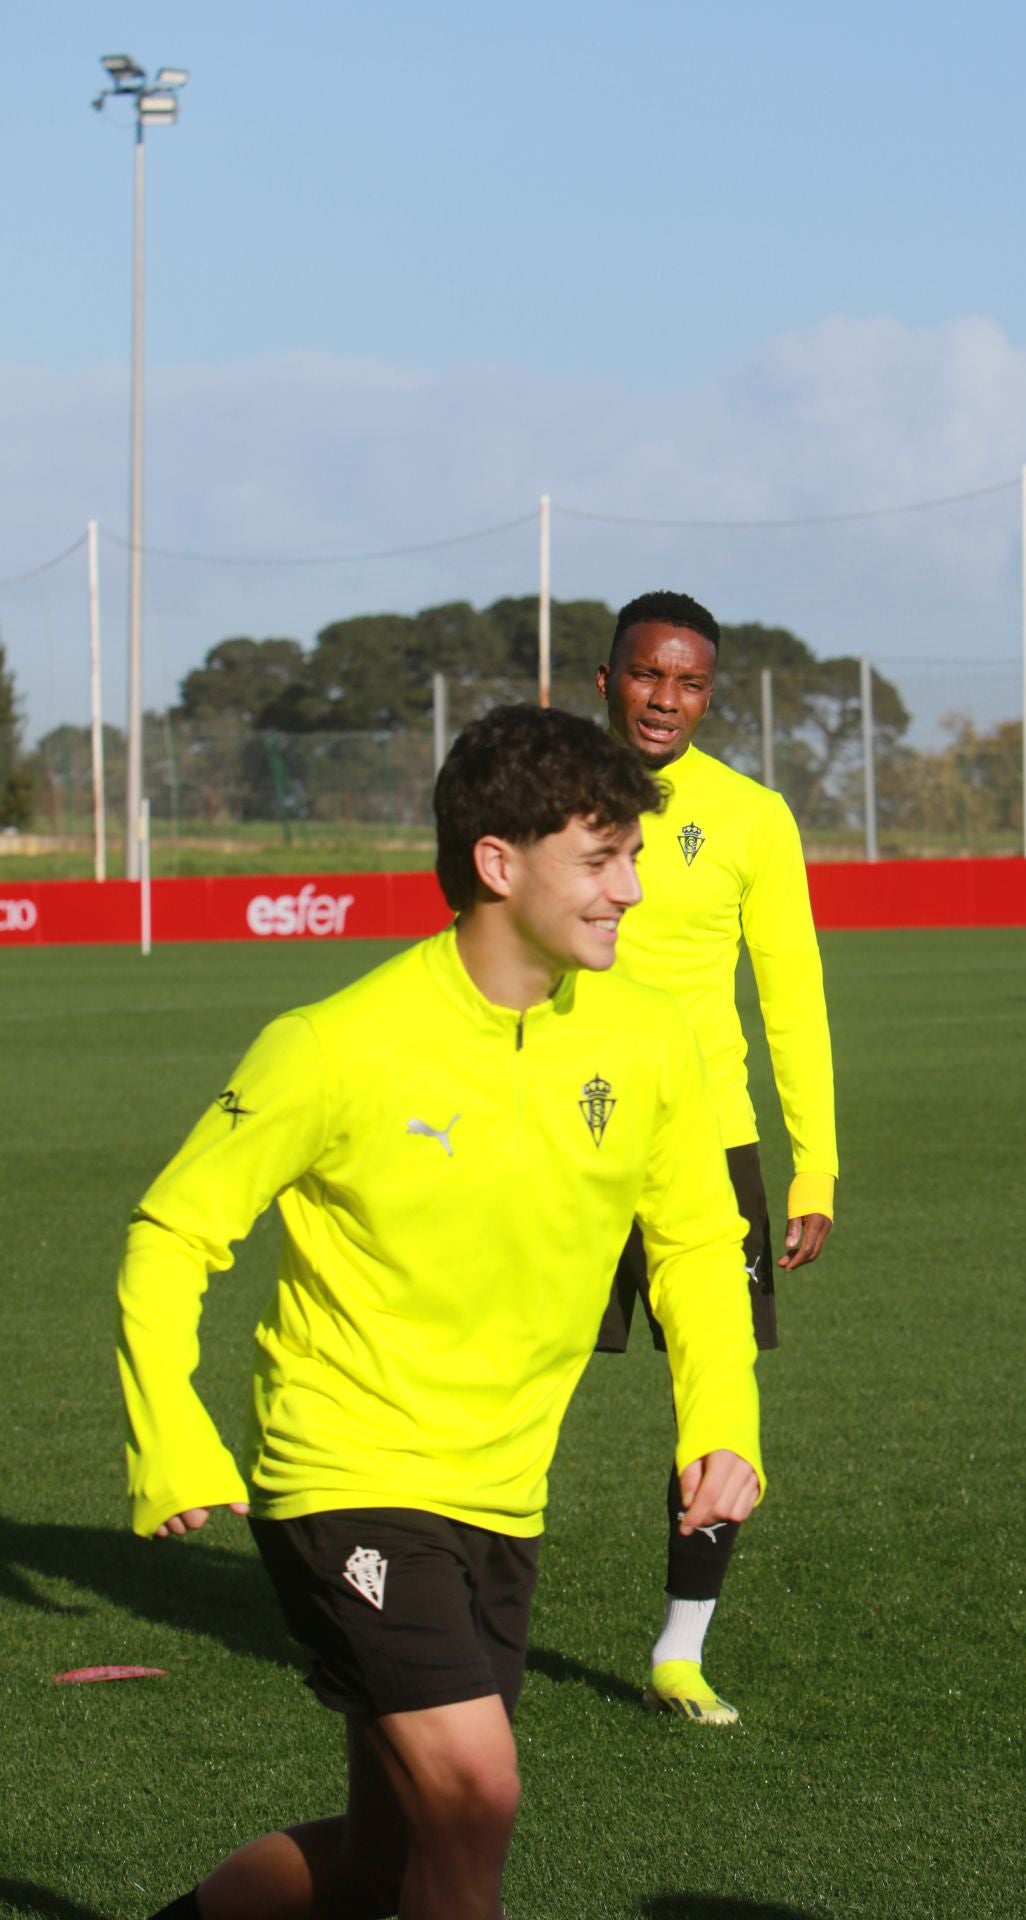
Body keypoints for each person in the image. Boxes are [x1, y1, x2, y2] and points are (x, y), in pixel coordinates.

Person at [118, 704, 763, 1920]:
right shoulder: (334, 1046)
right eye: (600, 857)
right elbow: (172, 1234)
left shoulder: (650, 1038)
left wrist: (720, 1419)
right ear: (496, 861)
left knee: (387, 1859)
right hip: (344, 1468)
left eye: (631, 854)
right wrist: (169, 1434)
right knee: (473, 1796)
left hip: (502, 1492)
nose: (631, 889)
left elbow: (692, 1245)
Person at [595, 589, 837, 1726]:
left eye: (689, 682)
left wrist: (813, 1168)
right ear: (607, 680)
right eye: (648, 676)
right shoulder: (547, 793)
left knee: (717, 1393)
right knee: (513, 1378)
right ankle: (459, 1624)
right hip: (565, 1134)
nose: (666, 700)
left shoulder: (750, 815)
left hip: (707, 1147)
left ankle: (679, 1652)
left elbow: (791, 999)